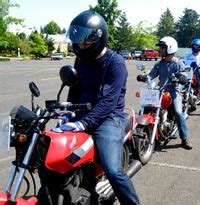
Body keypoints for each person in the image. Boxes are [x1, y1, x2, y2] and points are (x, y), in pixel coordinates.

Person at [59, 10, 140, 204]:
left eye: (86, 43)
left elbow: (108, 102)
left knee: (113, 170)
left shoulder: (116, 63)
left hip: (109, 118)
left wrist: (82, 123)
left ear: (98, 39)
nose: (81, 46)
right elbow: (74, 89)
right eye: (78, 43)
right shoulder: (80, 59)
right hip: (83, 114)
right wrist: (68, 113)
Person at [137, 36, 193, 150]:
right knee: (146, 108)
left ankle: (185, 138)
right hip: (160, 90)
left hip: (173, 90)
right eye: (160, 47)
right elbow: (152, 74)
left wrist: (183, 77)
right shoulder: (159, 64)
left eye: (163, 47)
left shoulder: (178, 63)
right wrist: (145, 77)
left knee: (178, 112)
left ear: (170, 48)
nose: (160, 50)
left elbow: (184, 74)